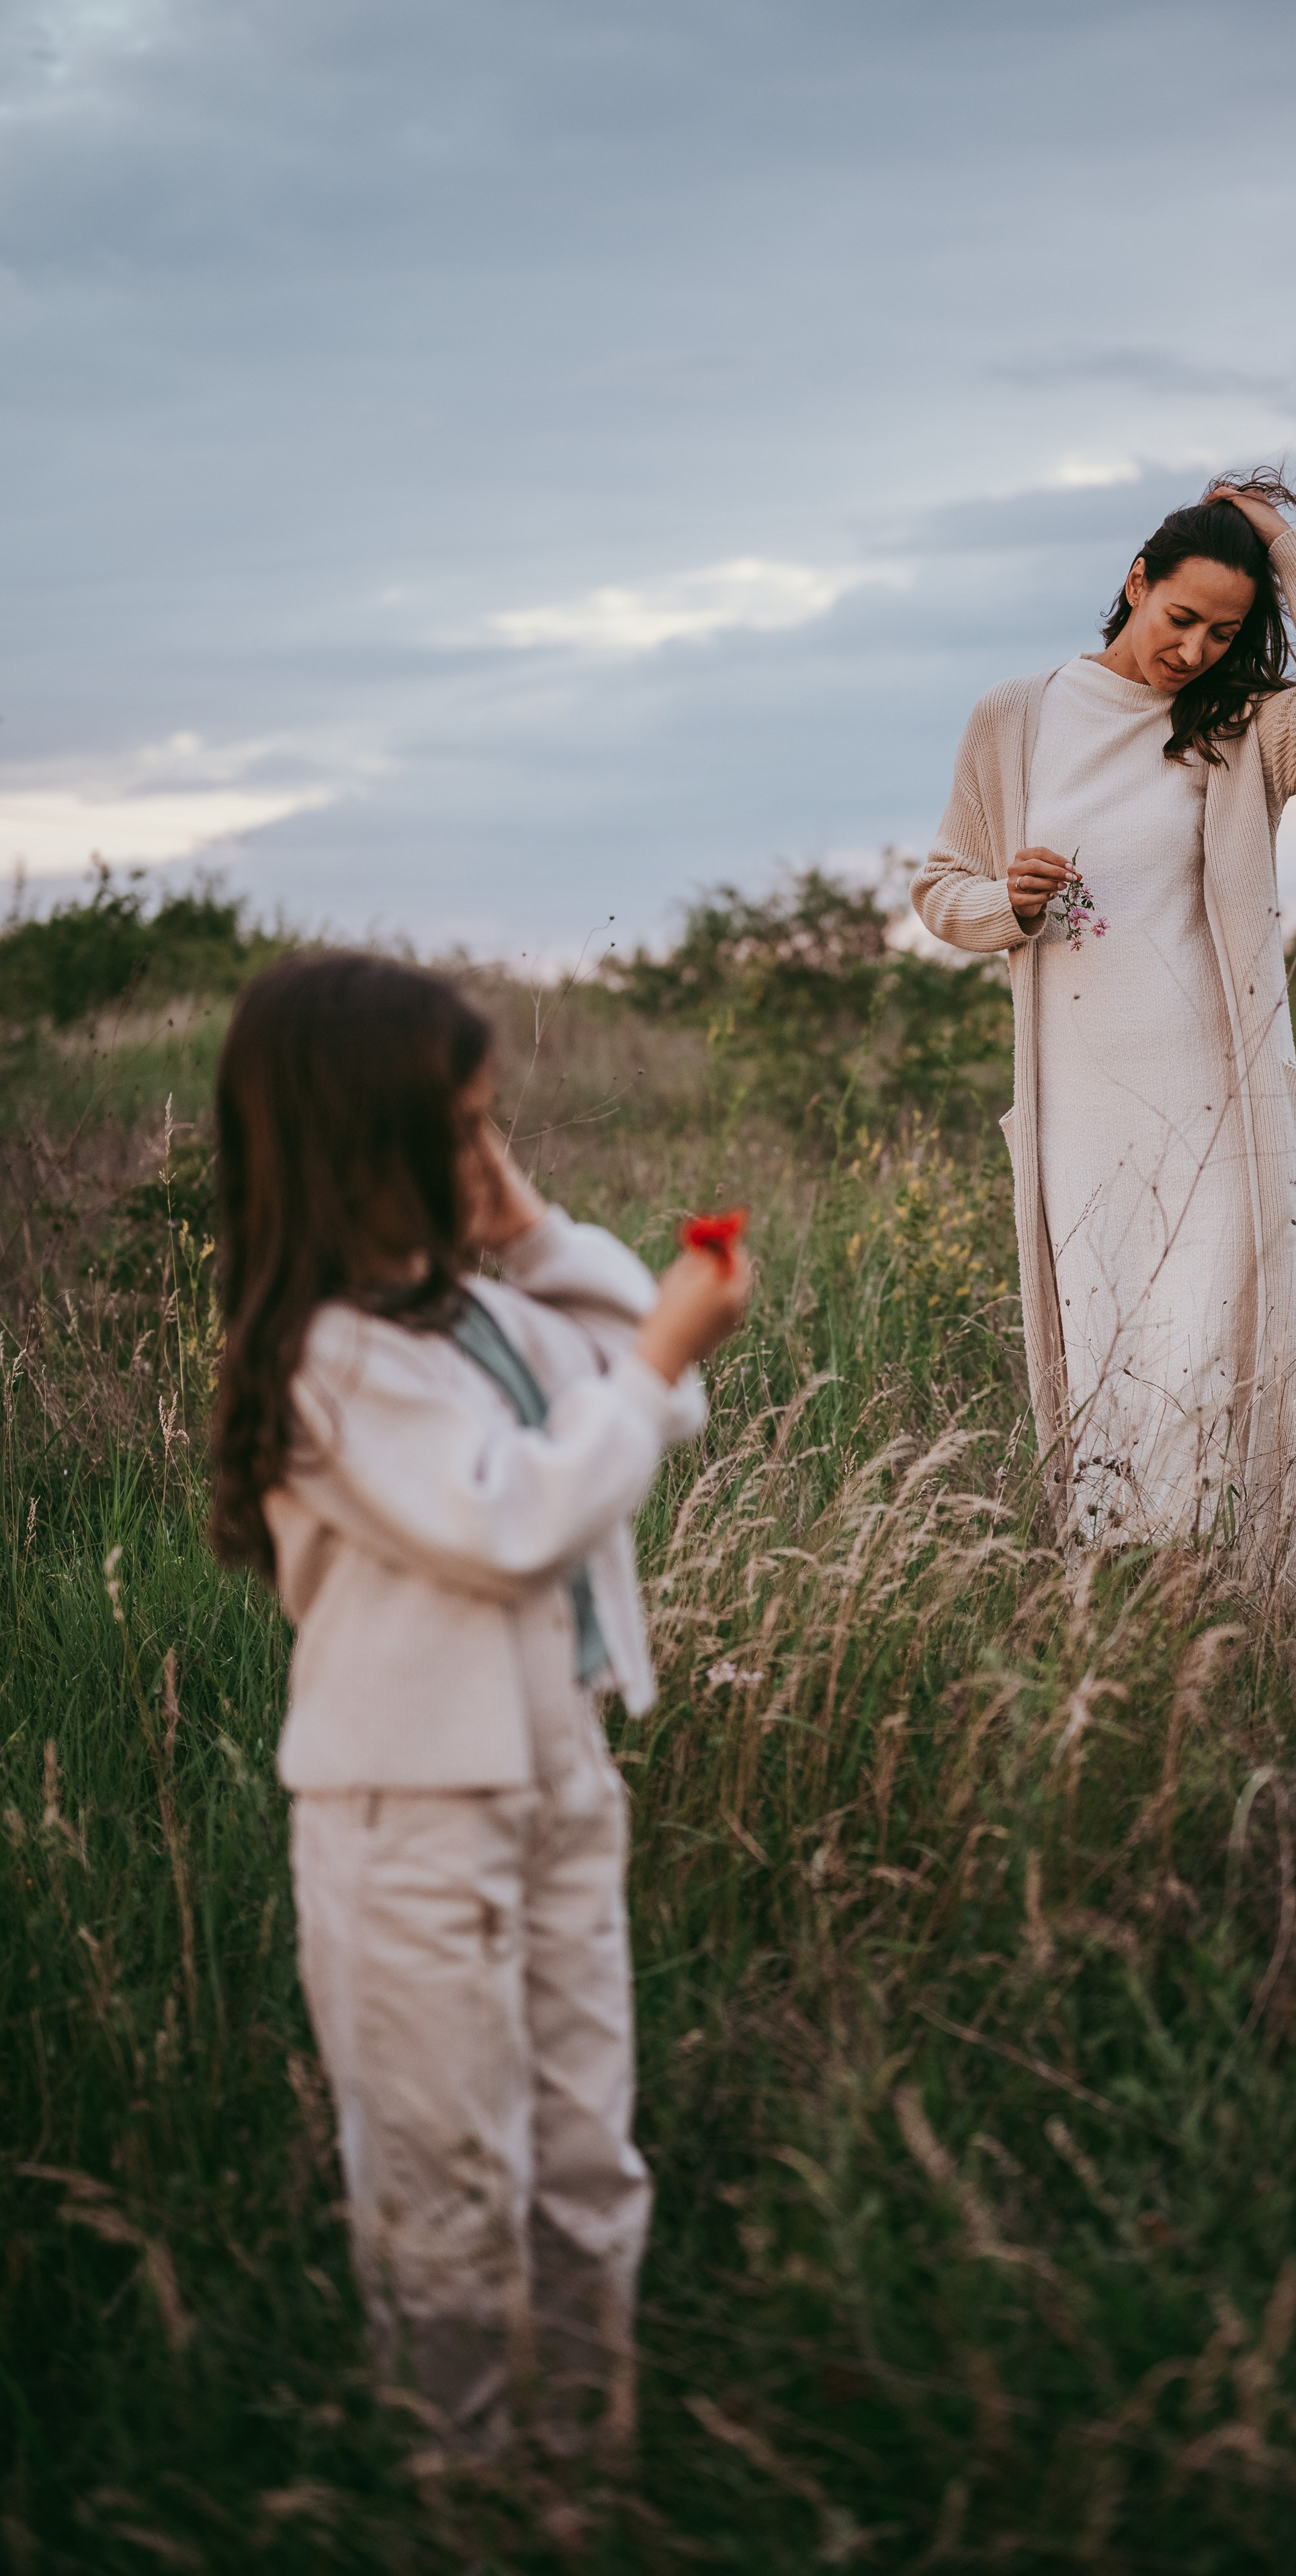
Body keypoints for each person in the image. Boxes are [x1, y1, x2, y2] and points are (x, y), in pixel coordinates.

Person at [208, 951, 751, 2456]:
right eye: (458, 1135)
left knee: (584, 2153)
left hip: (556, 1779)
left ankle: (581, 2452)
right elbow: (512, 1511)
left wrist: (536, 1229)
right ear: (351, 1149)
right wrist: (648, 1356)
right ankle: (469, 2482)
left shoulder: (483, 1313)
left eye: (490, 1127)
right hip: (406, 1823)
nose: (486, 1162)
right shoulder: (322, 1363)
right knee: (447, 2181)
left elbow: (656, 1397)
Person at [912, 472, 1296, 1581]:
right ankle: (1120, 1587)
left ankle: (1237, 1590)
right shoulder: (1019, 717)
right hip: (1078, 1106)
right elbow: (942, 886)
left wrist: (1280, 537)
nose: (1195, 650)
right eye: (1182, 618)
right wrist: (1009, 904)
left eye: (1226, 632)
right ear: (1136, 582)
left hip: (1217, 1098)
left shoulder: (1237, 735)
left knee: (1217, 1340)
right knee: (1109, 1345)